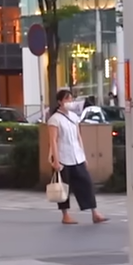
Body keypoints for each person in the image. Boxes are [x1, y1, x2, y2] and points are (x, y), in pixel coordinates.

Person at [46, 88, 107, 225]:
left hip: (77, 156)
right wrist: (56, 160)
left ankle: (94, 212)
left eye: (71, 99)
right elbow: (53, 141)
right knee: (64, 187)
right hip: (63, 157)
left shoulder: (74, 117)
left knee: (86, 183)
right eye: (67, 99)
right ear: (60, 102)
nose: (70, 101)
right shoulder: (54, 119)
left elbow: (78, 137)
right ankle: (65, 214)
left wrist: (83, 156)